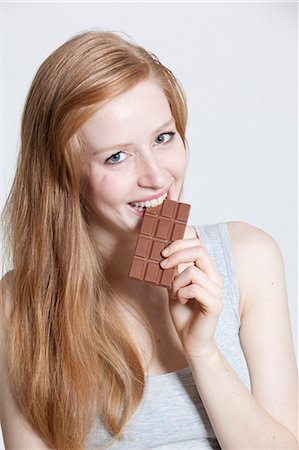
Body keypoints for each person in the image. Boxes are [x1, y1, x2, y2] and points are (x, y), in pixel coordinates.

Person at [0, 30, 297, 450]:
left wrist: (203, 352)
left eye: (163, 137)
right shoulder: (21, 303)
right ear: (64, 176)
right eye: (117, 156)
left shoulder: (249, 259)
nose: (157, 177)